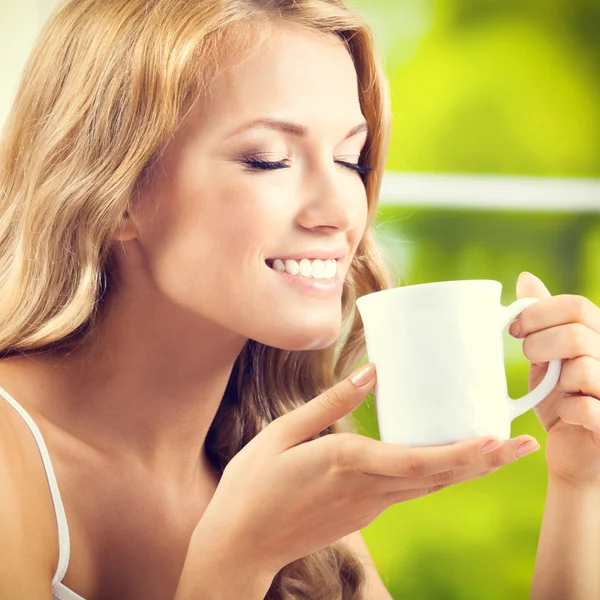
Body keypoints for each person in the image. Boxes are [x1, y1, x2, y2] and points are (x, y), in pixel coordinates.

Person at [0, 0, 598, 598]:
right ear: (116, 192)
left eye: (350, 159)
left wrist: (580, 484)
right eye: (269, 159)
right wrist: (238, 559)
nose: (342, 211)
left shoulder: (277, 458)